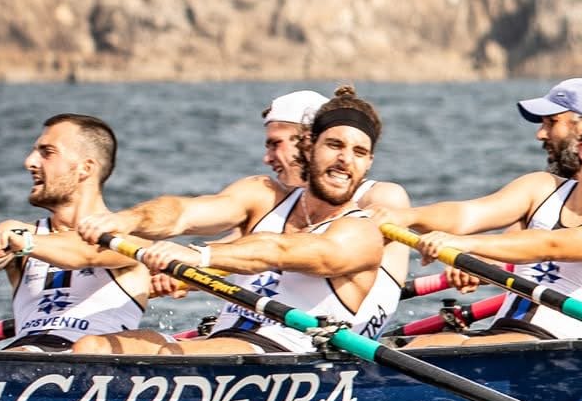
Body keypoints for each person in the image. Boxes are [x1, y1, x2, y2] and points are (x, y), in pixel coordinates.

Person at [75, 86, 402, 354]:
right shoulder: (262, 195)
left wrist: (200, 256)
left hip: (290, 353)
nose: (345, 160)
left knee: (174, 355)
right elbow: (183, 212)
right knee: (93, 347)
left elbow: (280, 251)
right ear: (308, 146)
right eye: (334, 145)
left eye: (359, 153)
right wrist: (128, 219)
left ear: (369, 162)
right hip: (226, 343)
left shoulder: (361, 232)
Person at [391, 104, 582, 346]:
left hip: (565, 349)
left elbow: (553, 245)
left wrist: (462, 244)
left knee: (442, 351)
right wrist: (407, 217)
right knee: (425, 344)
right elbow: (467, 214)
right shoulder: (541, 187)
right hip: (505, 335)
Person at [0, 115, 151, 350]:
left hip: (92, 357)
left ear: (86, 168)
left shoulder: (131, 242)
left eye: (47, 153)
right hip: (23, 352)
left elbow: (86, 253)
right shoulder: (17, 232)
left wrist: (24, 243)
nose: (29, 162)